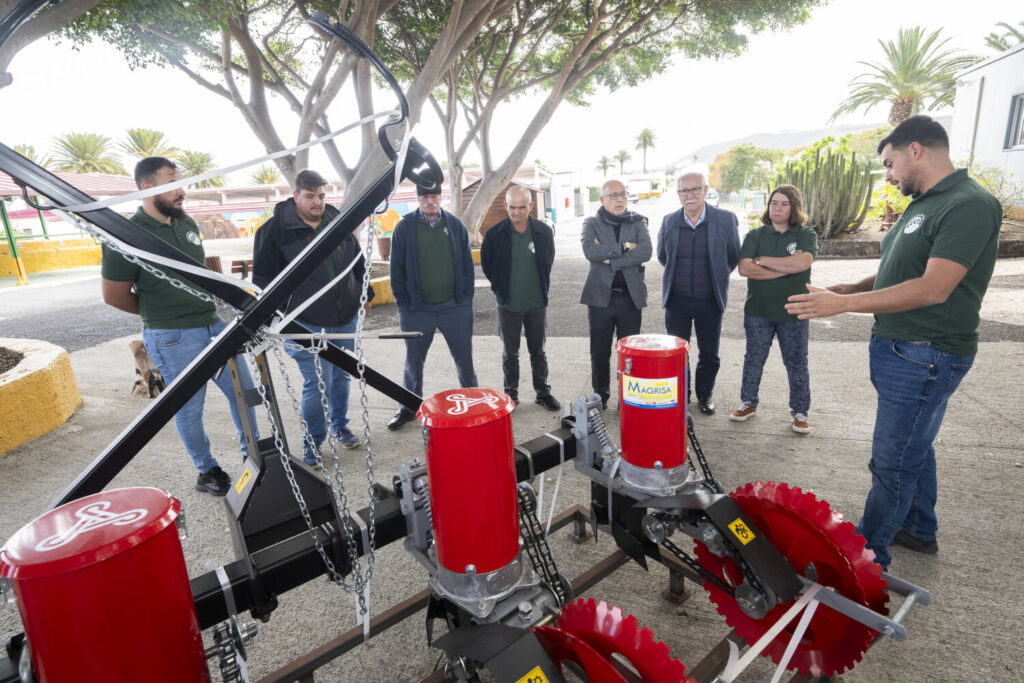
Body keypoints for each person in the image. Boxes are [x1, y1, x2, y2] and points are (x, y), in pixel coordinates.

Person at [785, 115, 1002, 569]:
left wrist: (843, 308)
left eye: (889, 163)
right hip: (905, 347)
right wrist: (850, 291)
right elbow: (902, 269)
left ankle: (866, 561)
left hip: (926, 351)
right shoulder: (924, 203)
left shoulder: (967, 203)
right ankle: (919, 529)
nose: (887, 174)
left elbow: (933, 287)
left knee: (892, 461)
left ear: (915, 150)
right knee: (913, 444)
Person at [101, 156, 258, 497]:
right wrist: (162, 313)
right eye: (172, 183)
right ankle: (207, 470)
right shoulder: (125, 235)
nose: (181, 191)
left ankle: (255, 456)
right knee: (189, 407)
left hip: (213, 325)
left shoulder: (185, 222)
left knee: (243, 395)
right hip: (172, 336)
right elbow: (114, 296)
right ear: (148, 186)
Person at [252, 169, 372, 462]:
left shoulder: (338, 222)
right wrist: (275, 320)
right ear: (295, 196)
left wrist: (365, 294)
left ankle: (340, 427)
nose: (317, 202)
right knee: (319, 383)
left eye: (320, 195)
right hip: (304, 321)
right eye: (309, 196)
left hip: (345, 317)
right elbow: (262, 282)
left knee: (342, 375)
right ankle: (313, 442)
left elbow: (358, 261)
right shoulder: (272, 232)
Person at [387, 178, 478, 430]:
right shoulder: (404, 228)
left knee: (465, 361)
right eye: (425, 196)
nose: (430, 200)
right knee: (413, 362)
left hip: (455, 308)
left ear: (441, 197)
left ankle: (472, 404)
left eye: (434, 195)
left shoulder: (455, 225)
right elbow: (397, 270)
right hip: (417, 311)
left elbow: (467, 266)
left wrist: (466, 298)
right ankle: (407, 407)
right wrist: (404, 305)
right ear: (418, 199)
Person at [730, 185, 818, 433]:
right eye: (774, 203)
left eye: (784, 204)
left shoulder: (805, 233)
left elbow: (803, 262)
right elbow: (745, 269)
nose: (777, 208)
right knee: (754, 359)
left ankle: (800, 413)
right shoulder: (756, 235)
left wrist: (763, 260)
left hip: (794, 310)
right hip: (758, 310)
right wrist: (786, 269)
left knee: (797, 363)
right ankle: (748, 403)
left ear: (794, 207)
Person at [657, 172, 740, 415]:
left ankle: (705, 395)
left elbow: (733, 256)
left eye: (695, 190)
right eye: (684, 191)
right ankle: (681, 397)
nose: (690, 195)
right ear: (678, 195)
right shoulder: (669, 221)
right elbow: (663, 257)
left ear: (705, 190)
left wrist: (715, 277)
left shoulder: (725, 219)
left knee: (709, 354)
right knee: (677, 354)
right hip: (677, 301)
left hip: (710, 300)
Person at [480, 186, 559, 410]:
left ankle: (542, 393)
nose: (516, 212)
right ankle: (511, 395)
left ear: (530, 206)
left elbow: (548, 261)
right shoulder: (494, 234)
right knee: (510, 354)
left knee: (538, 352)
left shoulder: (544, 232)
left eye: (521, 207)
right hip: (508, 304)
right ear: (506, 206)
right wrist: (501, 287)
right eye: (512, 207)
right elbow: (488, 265)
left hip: (537, 304)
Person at [580, 179, 652, 410]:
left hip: (630, 298)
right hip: (601, 298)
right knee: (599, 352)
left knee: (630, 354)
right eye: (613, 195)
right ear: (602, 199)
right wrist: (626, 247)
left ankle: (628, 398)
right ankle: (601, 396)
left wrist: (609, 259)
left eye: (622, 194)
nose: (619, 199)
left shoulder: (637, 221)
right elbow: (590, 251)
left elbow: (647, 251)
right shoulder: (591, 222)